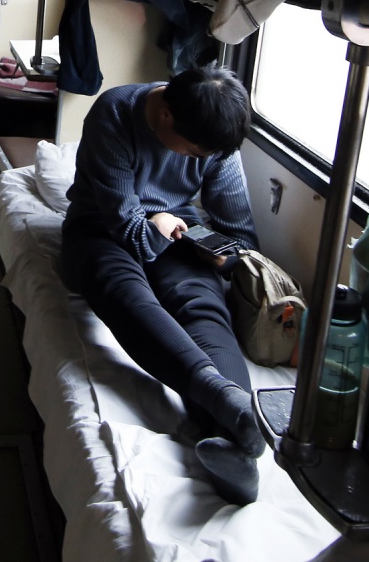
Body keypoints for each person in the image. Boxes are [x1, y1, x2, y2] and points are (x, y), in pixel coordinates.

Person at [60, 64, 265, 506]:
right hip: (101, 228)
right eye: (193, 154)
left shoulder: (212, 137)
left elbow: (240, 235)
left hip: (177, 230)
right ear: (167, 115)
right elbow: (129, 231)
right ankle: (221, 398)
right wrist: (158, 225)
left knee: (204, 306)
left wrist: (223, 256)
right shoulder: (115, 113)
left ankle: (236, 445)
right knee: (126, 294)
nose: (197, 160)